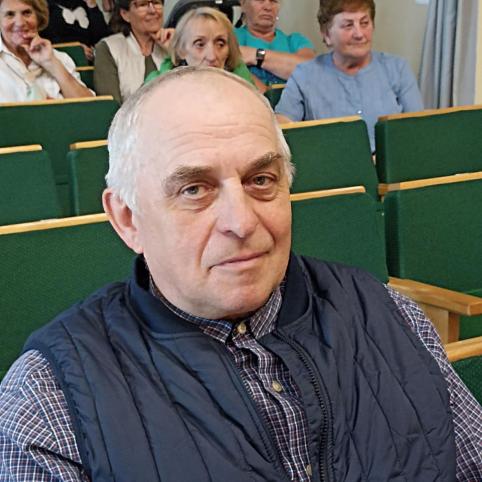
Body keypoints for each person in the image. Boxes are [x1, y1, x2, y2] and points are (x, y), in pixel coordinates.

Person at [0, 67, 481, 481]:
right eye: (194, 189)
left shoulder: (392, 316)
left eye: (261, 180)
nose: (242, 221)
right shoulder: (49, 401)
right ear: (128, 219)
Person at [275, 0, 424, 151]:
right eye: (348, 25)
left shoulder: (397, 68)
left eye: (364, 23)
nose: (359, 34)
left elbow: (417, 129)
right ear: (326, 34)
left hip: (391, 163)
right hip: (330, 163)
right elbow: (282, 128)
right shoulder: (305, 75)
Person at [0, 0, 93, 101]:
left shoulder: (60, 58)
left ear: (38, 17)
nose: (20, 23)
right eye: (10, 14)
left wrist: (52, 63)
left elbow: (90, 107)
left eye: (27, 13)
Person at [145, 6, 254, 86]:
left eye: (220, 44)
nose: (212, 56)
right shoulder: (157, 85)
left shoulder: (240, 79)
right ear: (181, 51)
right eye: (200, 44)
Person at [93, 0, 172, 103]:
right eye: (143, 4)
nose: (153, 11)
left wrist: (177, 51)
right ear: (125, 14)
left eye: (156, 3)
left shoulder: (175, 43)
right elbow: (110, 107)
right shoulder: (108, 48)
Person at [235, 0, 315, 86]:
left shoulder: (296, 41)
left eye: (274, 1)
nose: (268, 7)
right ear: (243, 4)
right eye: (260, 0)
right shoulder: (230, 37)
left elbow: (310, 71)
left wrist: (256, 55)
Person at [41, 0, 111, 62]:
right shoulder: (45, 7)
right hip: (64, 62)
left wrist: (92, 6)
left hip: (92, 62)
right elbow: (47, 41)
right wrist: (75, 49)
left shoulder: (83, 4)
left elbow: (102, 38)